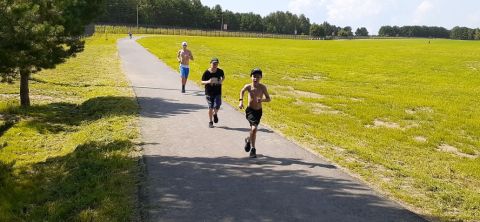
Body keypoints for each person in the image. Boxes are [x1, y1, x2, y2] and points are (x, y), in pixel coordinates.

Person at [238, 68, 271, 158]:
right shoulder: (248, 86)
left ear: (261, 78)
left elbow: (269, 99)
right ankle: (253, 149)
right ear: (251, 77)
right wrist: (241, 101)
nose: (255, 79)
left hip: (258, 111)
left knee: (253, 129)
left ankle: (248, 139)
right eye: (254, 77)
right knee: (254, 129)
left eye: (258, 77)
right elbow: (242, 91)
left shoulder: (262, 87)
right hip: (250, 111)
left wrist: (262, 100)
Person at [201, 58, 225, 128]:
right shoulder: (207, 72)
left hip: (218, 91)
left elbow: (223, 77)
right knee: (210, 108)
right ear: (210, 63)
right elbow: (202, 82)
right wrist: (208, 81)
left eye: (216, 64)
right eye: (213, 63)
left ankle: (215, 114)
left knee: (218, 104)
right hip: (209, 92)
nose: (215, 65)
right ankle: (210, 122)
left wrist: (221, 81)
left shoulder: (220, 71)